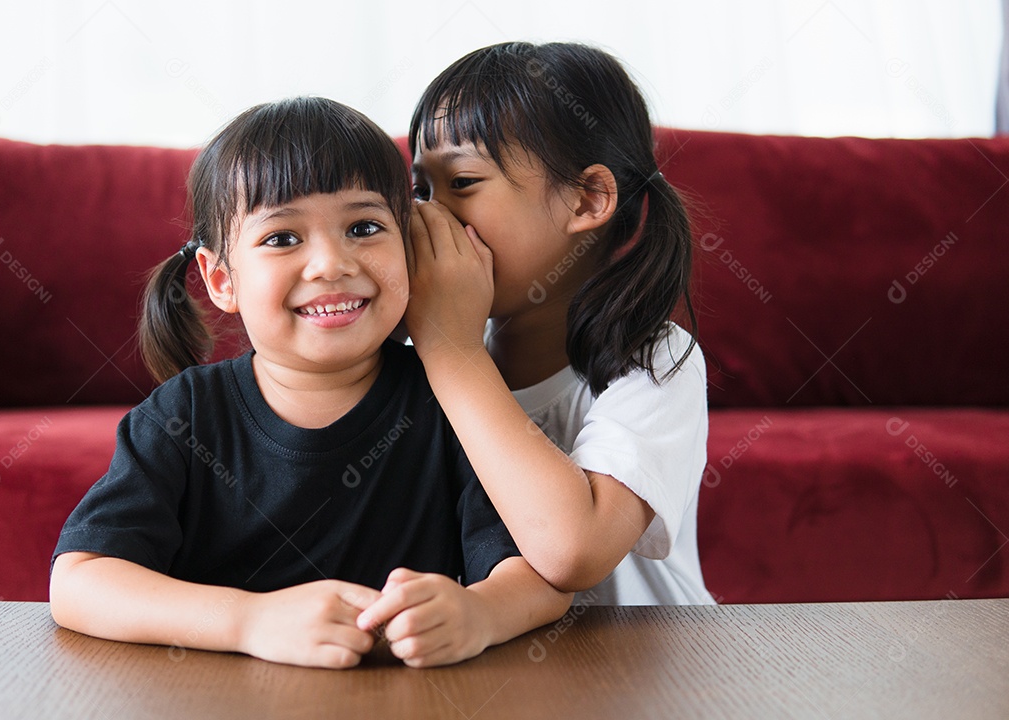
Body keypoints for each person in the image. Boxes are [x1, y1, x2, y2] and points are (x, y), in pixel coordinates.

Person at [49, 97, 571, 670]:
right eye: (281, 238)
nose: (330, 263)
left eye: (364, 227)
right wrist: (251, 622)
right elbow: (79, 582)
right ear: (222, 279)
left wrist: (479, 615)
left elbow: (543, 573)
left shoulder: (450, 402)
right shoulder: (185, 415)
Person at [403, 42, 713, 606]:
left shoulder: (654, 359)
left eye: (463, 182)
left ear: (587, 199)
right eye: (420, 189)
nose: (427, 215)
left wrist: (451, 349)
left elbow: (574, 550)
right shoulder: (414, 351)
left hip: (646, 672)